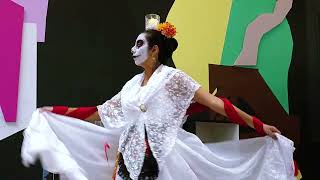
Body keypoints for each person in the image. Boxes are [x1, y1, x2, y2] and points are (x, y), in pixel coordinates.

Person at [24, 21, 294, 180]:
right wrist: (55, 112)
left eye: (139, 44)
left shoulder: (174, 79)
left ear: (155, 50)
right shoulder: (130, 86)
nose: (133, 49)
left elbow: (218, 105)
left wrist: (259, 126)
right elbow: (97, 112)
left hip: (167, 160)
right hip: (129, 164)